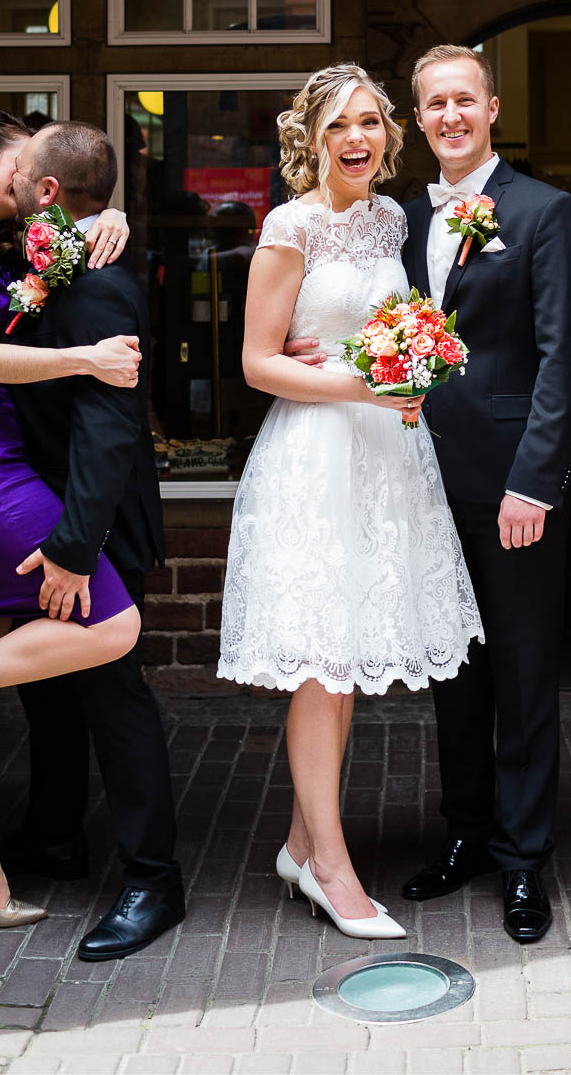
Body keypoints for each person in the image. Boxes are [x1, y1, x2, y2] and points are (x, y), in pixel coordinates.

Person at [0, 118, 184, 961]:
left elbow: (107, 433)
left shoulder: (95, 276)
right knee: (52, 689)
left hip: (87, 518)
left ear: (46, 190)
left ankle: (152, 880)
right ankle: (55, 835)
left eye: (30, 168)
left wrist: (75, 543)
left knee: (114, 689)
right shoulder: (23, 256)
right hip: (30, 496)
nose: (16, 181)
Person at [217, 64, 483, 941]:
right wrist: (361, 385)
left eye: (369, 123)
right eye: (339, 127)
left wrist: (412, 374)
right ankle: (332, 869)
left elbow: (392, 331)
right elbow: (258, 364)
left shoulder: (390, 217)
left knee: (350, 656)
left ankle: (302, 845)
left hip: (385, 456)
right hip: (315, 457)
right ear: (312, 139)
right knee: (323, 667)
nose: (358, 139)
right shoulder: (289, 226)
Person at [399, 45, 571, 944]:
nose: (449, 116)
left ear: (493, 108)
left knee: (520, 671)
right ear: (419, 117)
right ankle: (468, 832)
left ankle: (523, 861)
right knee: (456, 670)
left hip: (513, 486)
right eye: (433, 104)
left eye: (463, 101)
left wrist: (535, 482)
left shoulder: (543, 212)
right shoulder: (398, 220)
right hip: (420, 481)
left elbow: (565, 359)